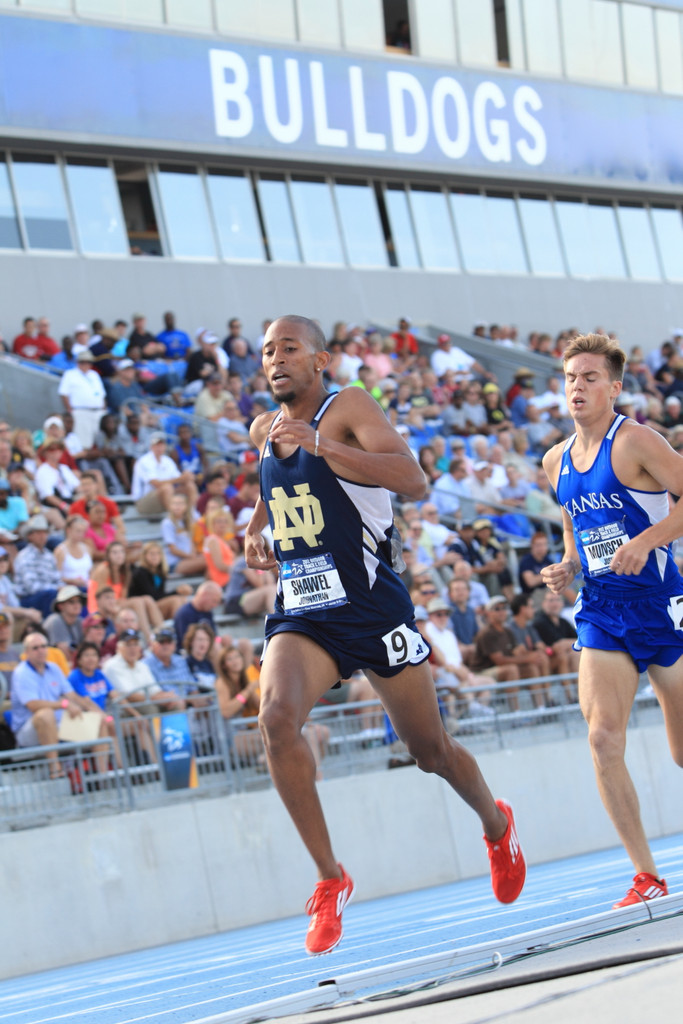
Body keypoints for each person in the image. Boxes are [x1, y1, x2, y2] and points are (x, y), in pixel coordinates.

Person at [244, 314, 526, 955]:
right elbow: (273, 488)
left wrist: (327, 449)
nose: (275, 358)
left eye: (289, 347)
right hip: (306, 612)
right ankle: (329, 878)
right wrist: (256, 525)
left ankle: (495, 823)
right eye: (266, 351)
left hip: (373, 609)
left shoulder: (348, 408)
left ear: (321, 360)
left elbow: (413, 479)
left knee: (431, 751)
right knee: (277, 718)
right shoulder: (265, 430)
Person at [541, 332, 683, 909]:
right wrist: (569, 564)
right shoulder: (553, 461)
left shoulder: (637, 443)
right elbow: (574, 521)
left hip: (661, 605)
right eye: (571, 378)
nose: (578, 387)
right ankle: (645, 875)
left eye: (590, 378)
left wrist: (648, 541)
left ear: (614, 387)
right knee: (602, 739)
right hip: (602, 609)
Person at [10, 631, 111, 778]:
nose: (40, 651)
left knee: (99, 721)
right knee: (45, 714)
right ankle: (55, 769)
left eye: (43, 646)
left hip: (59, 726)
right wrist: (63, 704)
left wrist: (98, 712)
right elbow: (32, 705)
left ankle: (104, 776)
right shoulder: (21, 673)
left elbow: (73, 696)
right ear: (26, 652)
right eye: (35, 648)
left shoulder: (53, 668)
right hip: (28, 732)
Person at [57, 350, 107, 450]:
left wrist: (103, 409)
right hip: (80, 411)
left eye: (88, 362)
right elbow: (63, 393)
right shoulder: (70, 374)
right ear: (78, 362)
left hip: (97, 411)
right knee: (83, 441)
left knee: (99, 440)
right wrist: (70, 409)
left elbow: (102, 395)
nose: (86, 364)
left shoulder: (94, 375)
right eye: (82, 362)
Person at [129, 541, 191, 620]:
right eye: (152, 554)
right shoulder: (140, 572)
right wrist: (177, 591)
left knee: (182, 599)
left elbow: (160, 594)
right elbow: (153, 596)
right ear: (144, 556)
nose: (155, 556)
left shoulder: (160, 572)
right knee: (175, 600)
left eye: (158, 553)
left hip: (155, 605)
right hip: (144, 609)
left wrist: (180, 592)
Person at [43, 584, 86, 661]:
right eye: (72, 602)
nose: (77, 605)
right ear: (60, 606)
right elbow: (65, 654)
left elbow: (86, 648)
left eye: (79, 601)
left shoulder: (80, 621)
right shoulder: (55, 621)